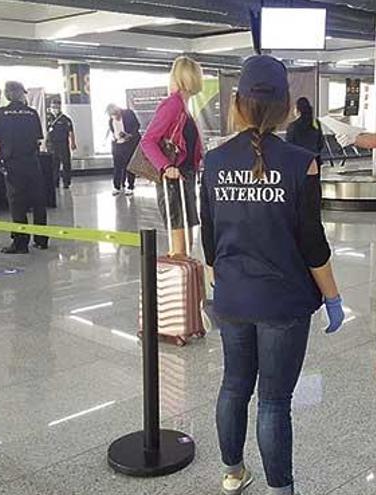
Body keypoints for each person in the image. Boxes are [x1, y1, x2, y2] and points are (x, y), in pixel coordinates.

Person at [200, 55, 345, 495]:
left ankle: (232, 472)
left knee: (233, 385)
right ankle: (280, 489)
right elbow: (312, 243)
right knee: (274, 401)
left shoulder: (214, 160)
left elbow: (209, 237)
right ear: (284, 106)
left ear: (238, 104)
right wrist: (333, 298)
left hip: (232, 297)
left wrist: (220, 285)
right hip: (283, 302)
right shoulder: (302, 162)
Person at [141, 56, 204, 256]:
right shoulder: (173, 105)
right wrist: (166, 167)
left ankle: (185, 282)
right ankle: (180, 284)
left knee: (186, 240)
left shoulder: (183, 106)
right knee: (179, 245)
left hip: (185, 176)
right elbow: (148, 140)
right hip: (173, 179)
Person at [0, 81, 48, 254]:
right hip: (32, 162)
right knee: (38, 201)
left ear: (7, 94)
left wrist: (0, 155)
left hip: (13, 163)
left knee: (17, 203)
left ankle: (20, 243)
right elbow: (39, 140)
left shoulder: (1, 113)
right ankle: (41, 239)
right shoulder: (32, 113)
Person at [107, 103, 140, 196]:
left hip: (129, 143)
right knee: (117, 166)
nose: (115, 117)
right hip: (117, 144)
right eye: (112, 115)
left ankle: (130, 186)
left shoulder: (129, 114)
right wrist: (115, 138)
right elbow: (113, 131)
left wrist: (130, 135)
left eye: (116, 114)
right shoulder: (110, 121)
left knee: (129, 165)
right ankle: (117, 186)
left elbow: (137, 126)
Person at [47, 99, 77, 189]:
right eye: (53, 107)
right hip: (52, 145)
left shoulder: (65, 119)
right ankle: (54, 182)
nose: (55, 109)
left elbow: (71, 132)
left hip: (63, 144)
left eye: (56, 107)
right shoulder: (49, 119)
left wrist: (73, 143)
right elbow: (46, 132)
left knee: (66, 163)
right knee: (54, 164)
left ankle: (66, 182)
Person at [285, 97, 324, 164]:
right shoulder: (315, 123)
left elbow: (289, 145)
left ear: (298, 110)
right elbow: (321, 143)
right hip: (314, 160)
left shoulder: (293, 126)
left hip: (299, 161)